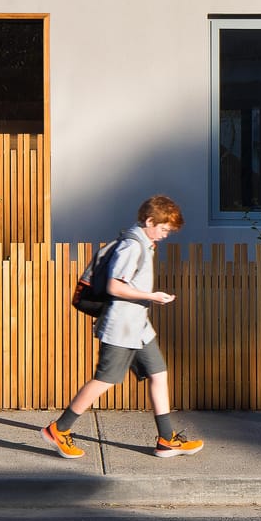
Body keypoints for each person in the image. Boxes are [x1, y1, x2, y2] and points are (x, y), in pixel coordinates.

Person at [41, 194, 204, 459]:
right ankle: (59, 429)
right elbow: (114, 287)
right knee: (104, 380)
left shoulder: (144, 244)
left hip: (138, 326)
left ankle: (166, 439)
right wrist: (152, 296)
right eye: (163, 229)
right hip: (122, 327)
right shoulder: (132, 247)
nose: (165, 234)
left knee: (158, 373)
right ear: (150, 221)